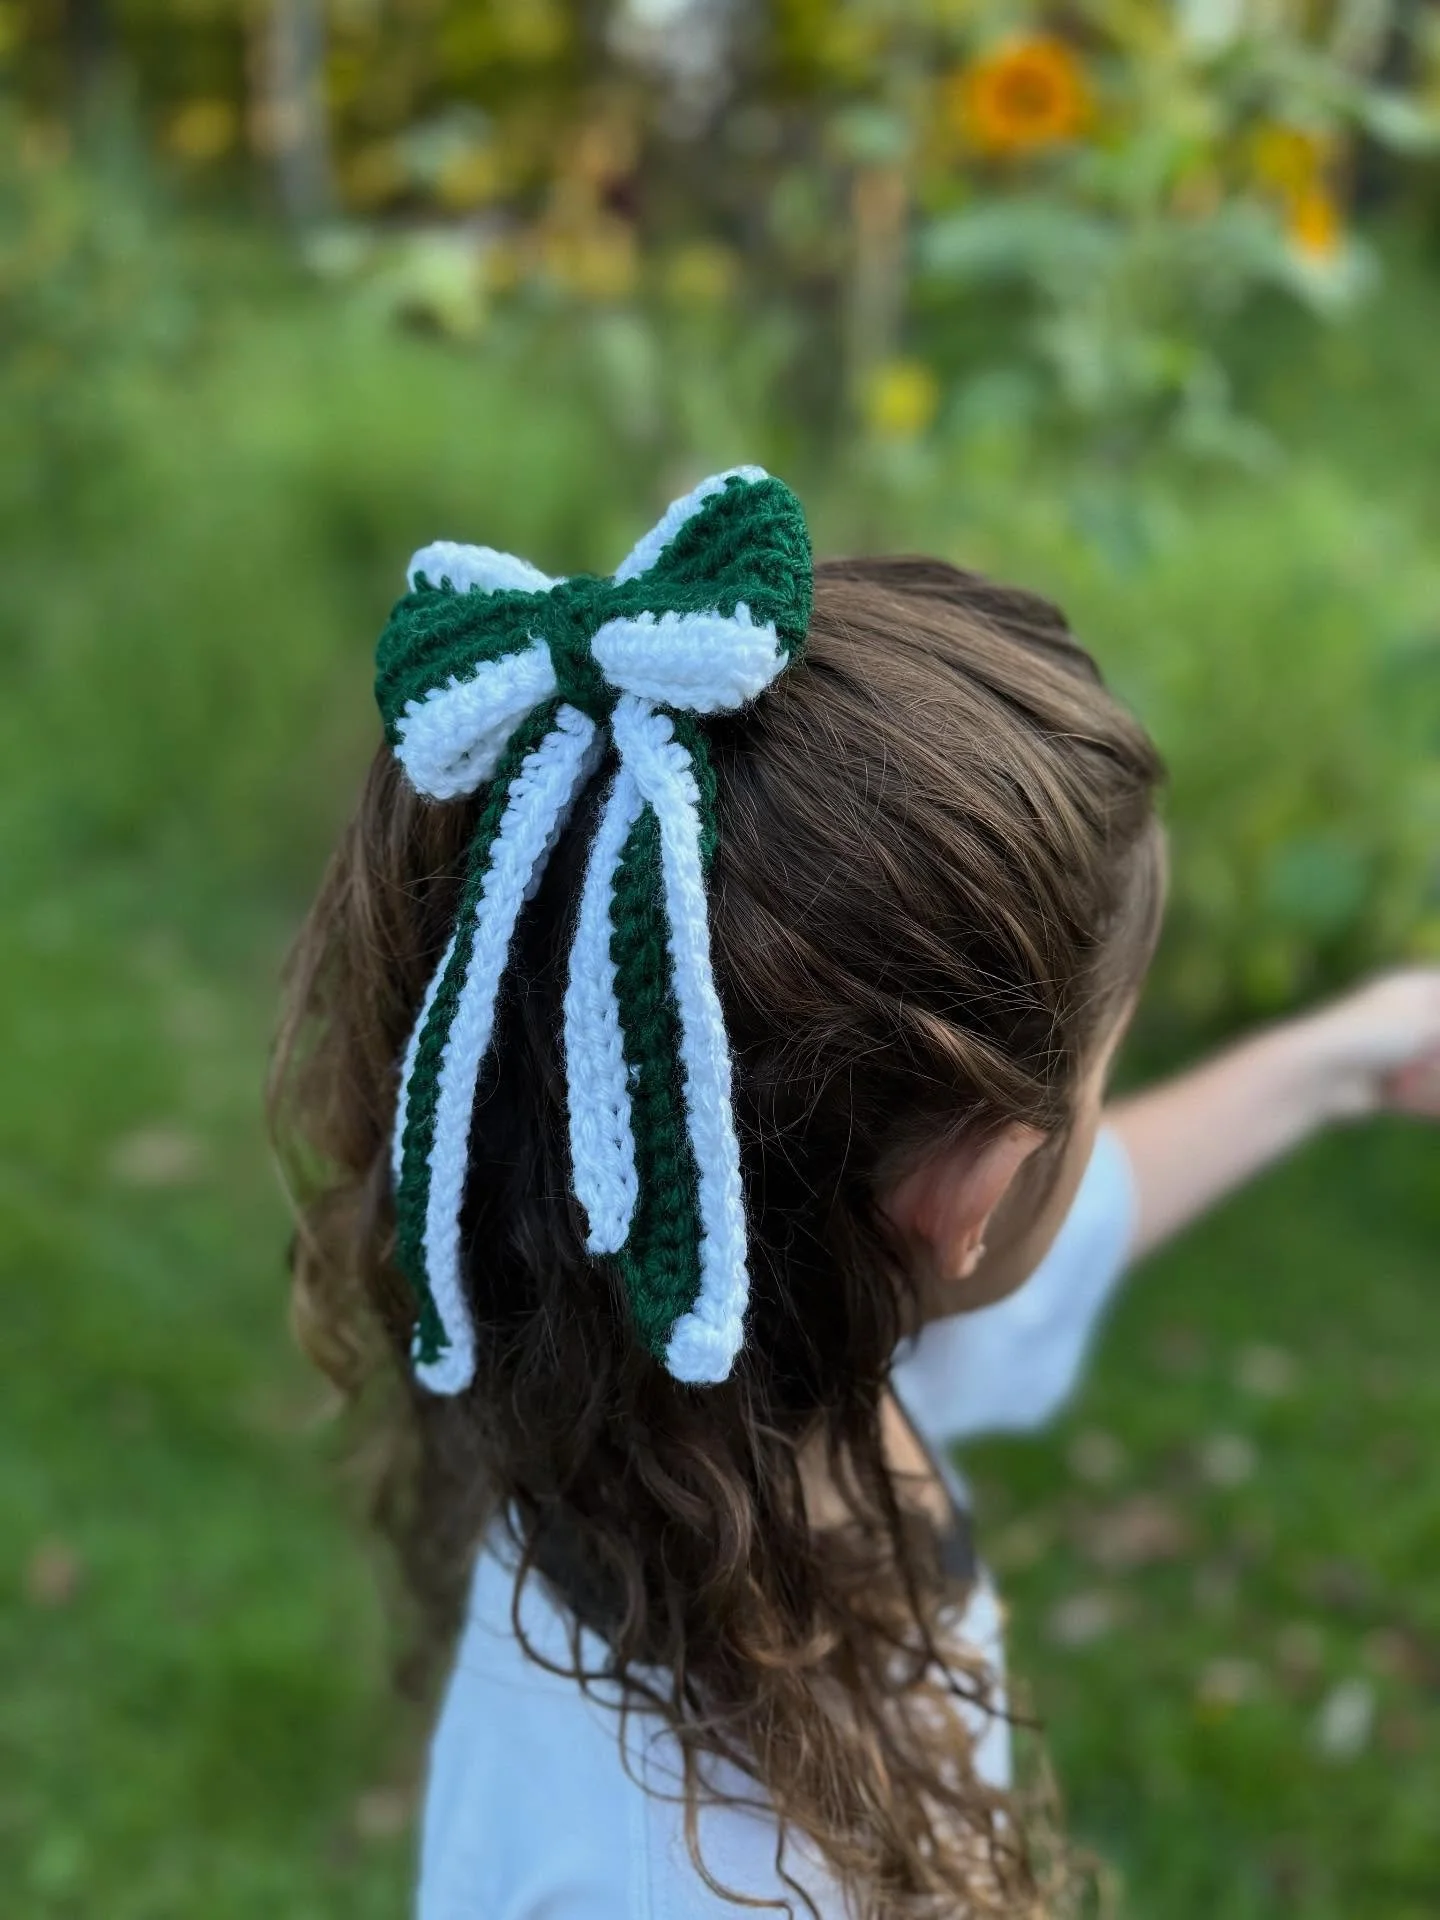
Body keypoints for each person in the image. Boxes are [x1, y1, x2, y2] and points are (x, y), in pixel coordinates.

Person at [271, 470, 1440, 1919]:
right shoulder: (697, 1877)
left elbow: (1079, 1220)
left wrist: (1348, 1052)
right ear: (970, 1196)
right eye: (1094, 1078)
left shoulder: (700, 1365)